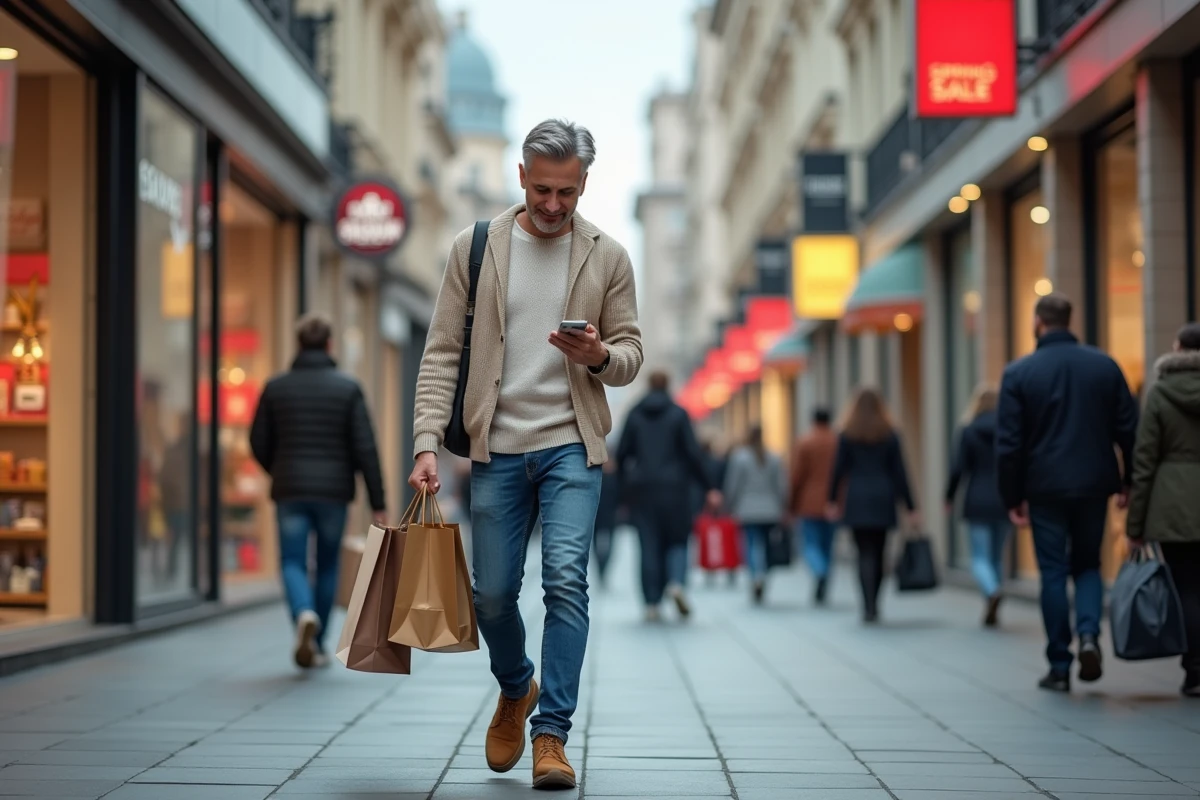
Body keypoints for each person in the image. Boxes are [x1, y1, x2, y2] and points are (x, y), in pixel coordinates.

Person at [408, 119, 642, 791]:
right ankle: (517, 685)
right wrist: (427, 441)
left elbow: (631, 354)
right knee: (490, 595)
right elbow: (442, 353)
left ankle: (552, 736)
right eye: (542, 189)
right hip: (497, 449)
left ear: (584, 184)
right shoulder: (476, 247)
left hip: (572, 444)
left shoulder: (608, 256)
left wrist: (598, 356)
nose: (552, 205)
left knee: (566, 580)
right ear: (520, 176)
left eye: (566, 192)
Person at [996, 293, 1138, 693]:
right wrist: (1129, 481)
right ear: (1068, 320)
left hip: (1043, 487)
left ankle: (1060, 664)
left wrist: (1012, 497)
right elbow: (1129, 430)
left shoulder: (1020, 373)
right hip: (1094, 483)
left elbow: (1009, 446)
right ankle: (1090, 634)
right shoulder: (1104, 367)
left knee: (1054, 571)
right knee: (1089, 564)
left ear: (1038, 321)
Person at [249, 312, 386, 669]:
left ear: (298, 344)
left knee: (292, 560)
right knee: (327, 565)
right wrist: (378, 501)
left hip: (290, 489)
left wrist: (278, 469)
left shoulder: (275, 387)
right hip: (334, 494)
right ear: (329, 344)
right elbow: (365, 448)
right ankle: (320, 640)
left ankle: (302, 614)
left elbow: (257, 441)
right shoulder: (348, 388)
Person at [1126, 322, 1200, 698]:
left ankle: (1195, 670)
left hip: (1173, 505)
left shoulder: (1160, 394)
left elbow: (1144, 461)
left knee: (1187, 588)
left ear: (1178, 348)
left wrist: (1134, 524)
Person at [618, 371, 721, 621]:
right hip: (676, 490)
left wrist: (625, 487)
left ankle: (652, 602)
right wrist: (710, 487)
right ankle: (676, 582)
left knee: (648, 544)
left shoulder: (634, 414)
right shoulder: (678, 414)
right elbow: (693, 454)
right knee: (677, 540)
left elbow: (622, 454)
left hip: (643, 491)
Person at [827, 388, 917, 624]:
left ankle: (867, 605)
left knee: (863, 553)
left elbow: (838, 470)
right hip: (882, 497)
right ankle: (875, 603)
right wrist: (910, 505)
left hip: (857, 497)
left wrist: (832, 500)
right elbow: (900, 472)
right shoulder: (890, 434)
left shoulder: (847, 434)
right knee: (879, 552)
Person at [945, 384, 1011, 627]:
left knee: (980, 557)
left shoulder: (968, 430)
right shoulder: (1008, 430)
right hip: (1004, 499)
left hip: (977, 499)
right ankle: (992, 602)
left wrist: (949, 497)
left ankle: (992, 591)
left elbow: (958, 468)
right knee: (996, 558)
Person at [723, 425, 786, 604]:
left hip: (747, 509)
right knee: (767, 546)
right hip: (770, 509)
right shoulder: (773, 457)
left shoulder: (739, 458)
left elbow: (733, 484)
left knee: (750, 544)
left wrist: (729, 504)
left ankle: (754, 575)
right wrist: (783, 506)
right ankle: (763, 574)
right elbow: (781, 485)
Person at [788, 408, 839, 605]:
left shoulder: (805, 442)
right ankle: (824, 574)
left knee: (810, 544)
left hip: (808, 502)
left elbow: (797, 476)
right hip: (832, 503)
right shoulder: (837, 441)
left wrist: (791, 504)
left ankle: (819, 571)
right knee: (828, 545)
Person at [592, 445, 620, 589]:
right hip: (596, 515)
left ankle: (604, 569)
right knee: (596, 546)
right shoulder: (596, 475)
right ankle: (600, 569)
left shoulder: (616, 476)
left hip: (611, 516)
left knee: (610, 546)